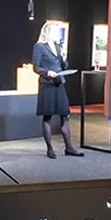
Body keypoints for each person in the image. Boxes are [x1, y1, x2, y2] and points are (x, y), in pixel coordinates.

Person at [32, 21, 82, 159]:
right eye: (55, 32)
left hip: (59, 84)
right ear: (48, 32)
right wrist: (48, 73)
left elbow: (63, 66)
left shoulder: (59, 47)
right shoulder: (40, 47)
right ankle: (50, 149)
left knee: (65, 115)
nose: (58, 34)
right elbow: (36, 67)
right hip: (47, 85)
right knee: (47, 117)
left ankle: (69, 148)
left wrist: (64, 58)